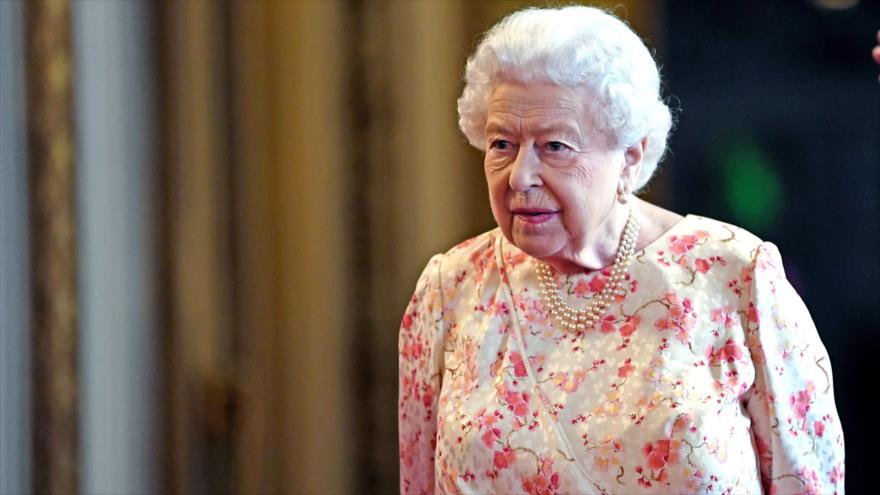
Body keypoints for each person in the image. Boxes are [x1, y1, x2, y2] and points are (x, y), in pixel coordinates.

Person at [398, 6, 844, 494]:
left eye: (555, 147)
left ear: (630, 157)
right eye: (502, 144)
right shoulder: (450, 290)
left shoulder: (736, 277)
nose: (520, 177)